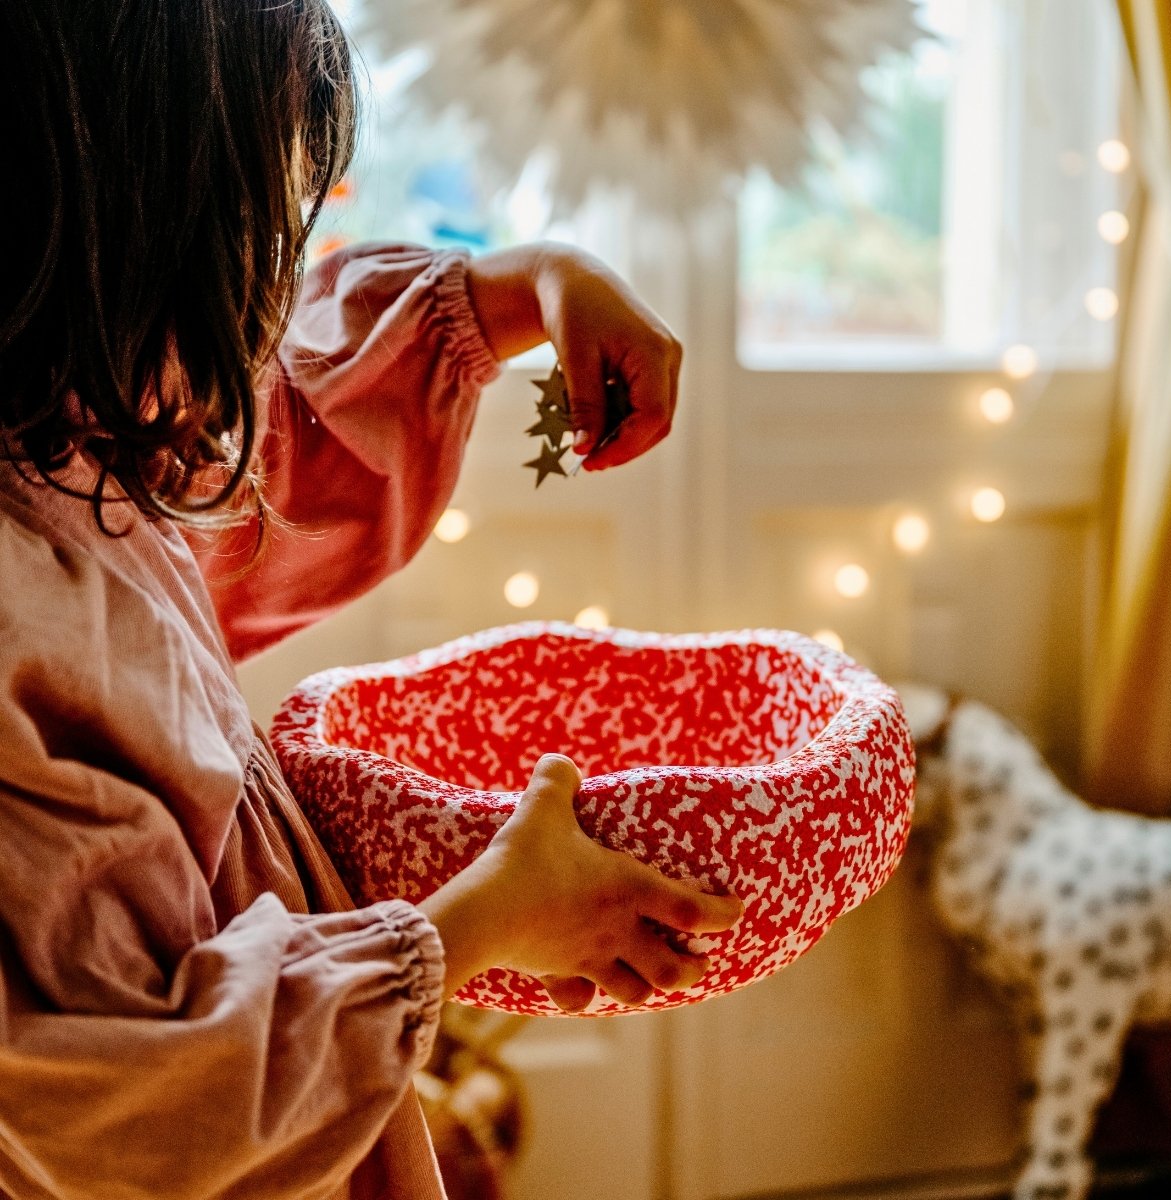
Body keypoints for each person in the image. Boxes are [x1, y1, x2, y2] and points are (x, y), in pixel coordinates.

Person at [0, 2, 744, 1198]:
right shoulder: (22, 593)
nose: (282, 263)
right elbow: (130, 1103)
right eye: (264, 210)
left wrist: (530, 285)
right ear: (124, 216)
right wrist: (486, 920)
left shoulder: (78, 440)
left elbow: (271, 442)